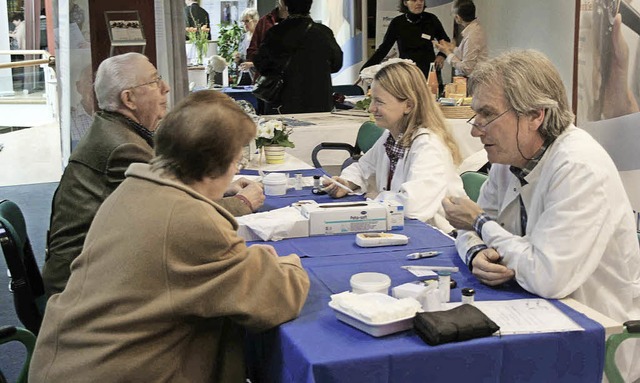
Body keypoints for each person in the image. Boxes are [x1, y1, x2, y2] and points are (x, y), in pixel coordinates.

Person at [29, 90, 310, 383]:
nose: (236, 169)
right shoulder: (191, 220)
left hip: (72, 362)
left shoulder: (134, 189)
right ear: (217, 165)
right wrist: (289, 264)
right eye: (237, 161)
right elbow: (276, 297)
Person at [441, 50, 640, 381]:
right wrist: (476, 252)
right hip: (534, 313)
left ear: (536, 115)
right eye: (475, 116)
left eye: (487, 115)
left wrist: (479, 223)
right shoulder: (510, 158)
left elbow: (547, 275)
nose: (476, 130)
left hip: (597, 338)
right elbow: (470, 232)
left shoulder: (579, 168)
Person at [43, 53, 264, 297]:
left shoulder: (114, 131)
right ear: (129, 99)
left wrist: (221, 186)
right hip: (84, 287)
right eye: (155, 81)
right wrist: (242, 203)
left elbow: (171, 193)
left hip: (93, 269)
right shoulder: (122, 149)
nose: (166, 88)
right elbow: (177, 217)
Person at [323, 61, 465, 233]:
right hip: (405, 230)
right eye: (371, 100)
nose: (371, 108)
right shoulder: (392, 136)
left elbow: (413, 206)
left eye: (379, 102)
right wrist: (347, 182)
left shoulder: (428, 146)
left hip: (436, 235)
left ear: (408, 105)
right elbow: (364, 167)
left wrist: (376, 198)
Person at [254, 0, 343, 114]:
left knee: (284, 132)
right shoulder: (324, 32)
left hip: (283, 105)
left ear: (286, 6)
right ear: (310, 5)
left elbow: (262, 65)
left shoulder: (275, 33)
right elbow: (337, 64)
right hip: (319, 103)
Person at [361, 0, 450, 81]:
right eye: (414, 0)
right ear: (405, 3)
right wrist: (365, 70)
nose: (419, 3)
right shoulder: (397, 22)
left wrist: (441, 55)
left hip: (428, 70)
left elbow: (445, 40)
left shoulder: (431, 19)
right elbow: (384, 48)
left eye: (421, 0)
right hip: (406, 71)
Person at [434, 0, 487, 77]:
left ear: (457, 17)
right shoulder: (474, 30)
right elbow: (466, 55)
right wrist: (451, 48)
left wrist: (447, 52)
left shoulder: (472, 35)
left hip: (473, 80)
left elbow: (467, 69)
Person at [70, 65, 95, 149]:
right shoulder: (70, 121)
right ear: (79, 87)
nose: (96, 89)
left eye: (101, 83)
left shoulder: (117, 119)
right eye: (90, 82)